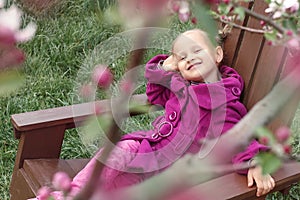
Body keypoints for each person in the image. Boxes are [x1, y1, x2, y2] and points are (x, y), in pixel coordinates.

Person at [38, 29, 275, 199]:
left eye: (196, 51)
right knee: (115, 153)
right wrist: (164, 67)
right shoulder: (180, 87)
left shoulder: (221, 103)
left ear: (218, 55)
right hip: (144, 155)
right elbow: (155, 94)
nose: (189, 58)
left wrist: (254, 163)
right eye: (181, 57)